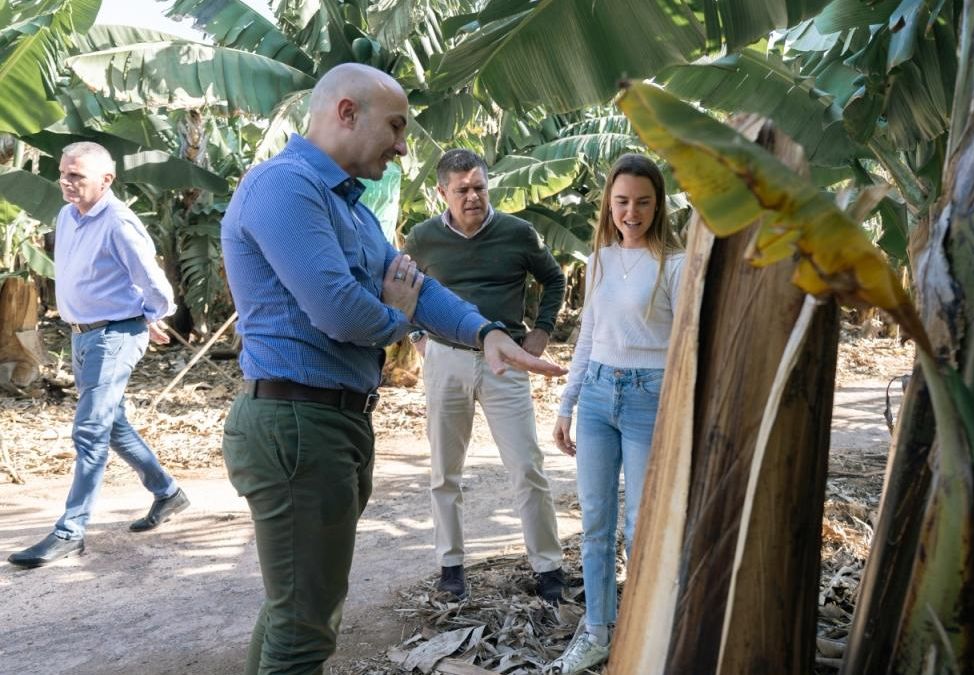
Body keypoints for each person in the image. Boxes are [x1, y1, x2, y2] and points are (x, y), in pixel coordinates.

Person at [220, 63, 565, 674]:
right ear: (347, 112)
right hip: (297, 421)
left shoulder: (348, 208)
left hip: (329, 422)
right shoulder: (285, 187)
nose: (404, 144)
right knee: (304, 626)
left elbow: (419, 289)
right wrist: (398, 317)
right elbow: (341, 311)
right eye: (396, 126)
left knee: (296, 610)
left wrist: (484, 333)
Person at [7, 142, 188, 569]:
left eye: (77, 177)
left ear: (106, 180)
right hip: (83, 336)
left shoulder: (119, 223)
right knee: (112, 425)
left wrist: (147, 317)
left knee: (89, 431)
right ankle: (168, 493)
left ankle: (70, 532)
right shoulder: (67, 217)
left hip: (114, 336)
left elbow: (158, 287)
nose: (67, 183)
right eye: (64, 174)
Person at [406, 149, 568, 602]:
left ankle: (549, 568)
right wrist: (418, 336)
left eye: (479, 187)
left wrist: (542, 330)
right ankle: (451, 567)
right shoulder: (422, 239)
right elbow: (400, 289)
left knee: (526, 466)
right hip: (445, 359)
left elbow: (554, 279)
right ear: (442, 192)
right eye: (462, 190)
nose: (473, 196)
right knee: (444, 472)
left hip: (507, 361)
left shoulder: (518, 233)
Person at [548, 154, 685, 672]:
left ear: (658, 205)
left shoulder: (675, 262)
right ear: (609, 201)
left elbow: (683, 346)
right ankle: (599, 630)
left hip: (650, 396)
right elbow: (587, 336)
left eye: (643, 202)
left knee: (640, 521)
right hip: (598, 397)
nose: (632, 212)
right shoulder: (599, 257)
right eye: (623, 200)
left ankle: (651, 632)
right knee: (596, 523)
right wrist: (567, 404)